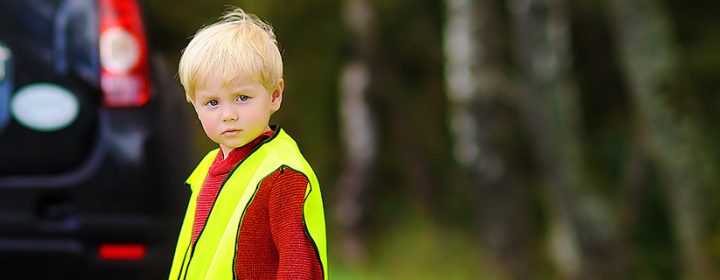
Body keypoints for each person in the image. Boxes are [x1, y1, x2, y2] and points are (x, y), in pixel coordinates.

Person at [168, 7, 327, 280]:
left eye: (242, 97)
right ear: (194, 106)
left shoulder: (282, 174)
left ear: (274, 95)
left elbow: (298, 264)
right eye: (212, 102)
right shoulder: (208, 169)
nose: (228, 114)